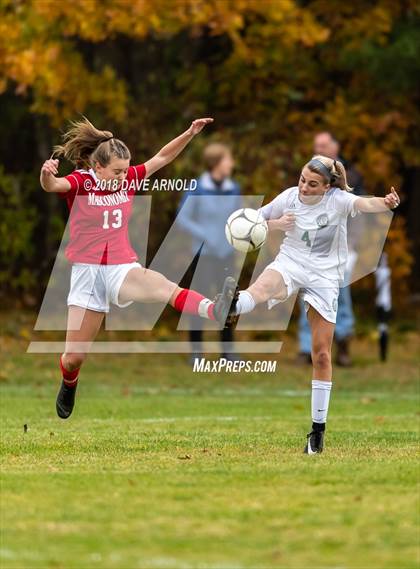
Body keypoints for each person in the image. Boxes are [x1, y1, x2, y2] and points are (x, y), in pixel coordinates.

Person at [40, 117, 237, 420]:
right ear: (97, 167)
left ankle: (216, 310)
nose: (123, 177)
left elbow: (163, 157)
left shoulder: (129, 178)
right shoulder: (82, 181)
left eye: (126, 170)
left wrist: (188, 133)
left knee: (162, 286)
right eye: (117, 171)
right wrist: (46, 174)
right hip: (88, 274)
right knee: (73, 357)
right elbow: (53, 185)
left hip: (121, 267)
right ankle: (69, 382)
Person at [218, 155, 399, 453]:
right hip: (291, 262)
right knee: (260, 288)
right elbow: (252, 219)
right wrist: (276, 224)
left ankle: (317, 432)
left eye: (313, 184)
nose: (304, 187)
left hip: (325, 276)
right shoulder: (289, 197)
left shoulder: (338, 201)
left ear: (328, 187)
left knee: (322, 355)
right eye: (303, 179)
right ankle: (233, 307)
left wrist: (387, 202)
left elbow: (365, 204)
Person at [297, 132, 366, 366]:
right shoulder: (309, 175)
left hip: (342, 250)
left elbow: (359, 213)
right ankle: (306, 348)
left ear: (335, 148)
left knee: (341, 297)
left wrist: (352, 247)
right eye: (316, 145)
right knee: (307, 295)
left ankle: (343, 344)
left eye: (324, 145)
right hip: (312, 249)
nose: (319, 149)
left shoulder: (352, 176)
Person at [176, 143, 242, 363]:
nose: (231, 163)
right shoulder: (196, 187)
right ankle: (196, 351)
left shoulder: (234, 189)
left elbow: (238, 219)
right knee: (199, 301)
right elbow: (183, 218)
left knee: (230, 302)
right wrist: (205, 234)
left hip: (227, 253)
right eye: (228, 159)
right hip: (203, 254)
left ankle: (228, 351)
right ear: (216, 163)